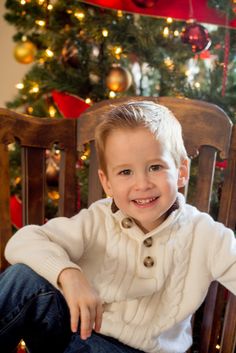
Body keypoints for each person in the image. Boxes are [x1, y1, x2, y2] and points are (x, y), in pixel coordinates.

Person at [0, 101, 235, 353]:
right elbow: (22, 241)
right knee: (24, 277)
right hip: (77, 330)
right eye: (125, 172)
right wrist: (68, 274)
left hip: (135, 350)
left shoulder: (205, 235)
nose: (142, 184)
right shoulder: (98, 220)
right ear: (107, 182)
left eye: (155, 167)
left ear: (181, 171)